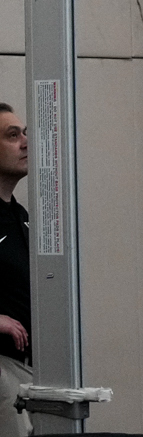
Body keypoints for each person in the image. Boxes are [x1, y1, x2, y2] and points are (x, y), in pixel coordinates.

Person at [0, 105, 28, 435]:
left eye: (24, 133)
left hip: (32, 369)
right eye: (12, 135)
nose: (25, 142)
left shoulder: (21, 217)